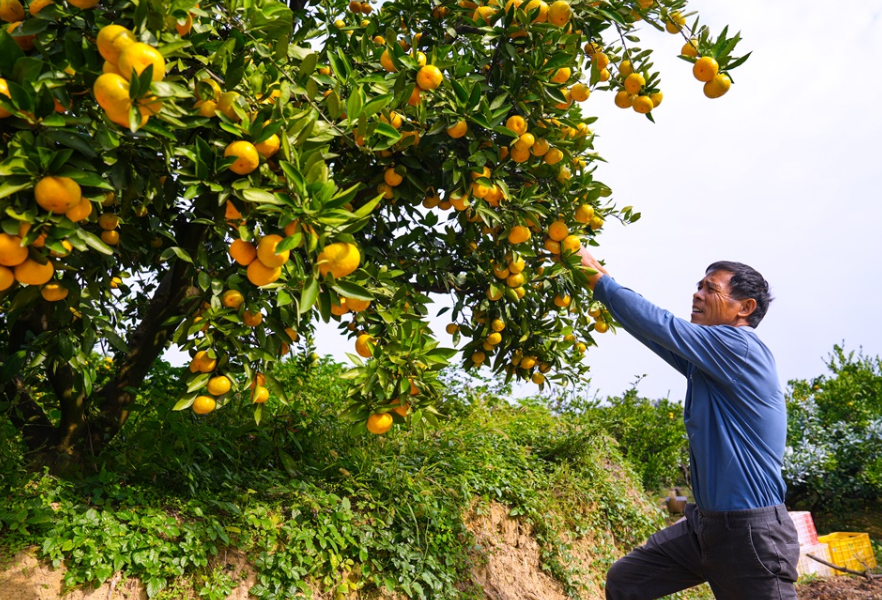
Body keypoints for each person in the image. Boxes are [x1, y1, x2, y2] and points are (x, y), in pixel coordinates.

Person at [577, 247, 799, 600]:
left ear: (745, 308)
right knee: (627, 581)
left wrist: (596, 277)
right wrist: (590, 271)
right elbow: (651, 330)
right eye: (699, 286)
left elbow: (660, 324)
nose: (697, 294)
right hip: (706, 527)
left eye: (711, 289)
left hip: (750, 531)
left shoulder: (737, 348)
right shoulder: (708, 361)